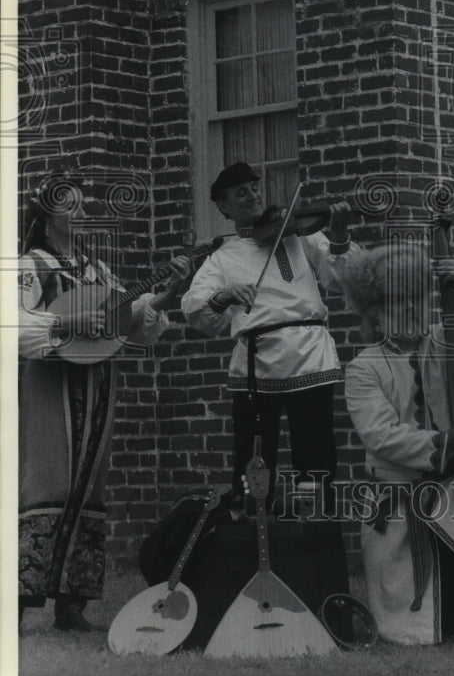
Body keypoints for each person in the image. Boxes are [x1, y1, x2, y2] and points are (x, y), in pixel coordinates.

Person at [18, 174, 191, 632]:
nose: (82, 214)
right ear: (47, 214)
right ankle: (17, 598)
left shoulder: (96, 271)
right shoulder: (30, 265)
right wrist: (69, 321)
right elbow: (14, 327)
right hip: (50, 383)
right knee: (46, 479)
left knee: (89, 482)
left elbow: (132, 322)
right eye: (71, 206)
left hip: (98, 381)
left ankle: (71, 605)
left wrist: (167, 293)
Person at [341, 238, 454, 647]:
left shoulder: (445, 342)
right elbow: (380, 435)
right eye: (399, 301)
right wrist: (445, 441)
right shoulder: (363, 368)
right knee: (432, 626)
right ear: (376, 315)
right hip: (402, 494)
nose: (412, 308)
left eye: (417, 297)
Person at [181, 162, 357, 510]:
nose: (253, 195)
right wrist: (225, 295)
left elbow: (341, 280)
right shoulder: (222, 256)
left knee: (315, 454)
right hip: (255, 364)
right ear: (223, 206)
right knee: (253, 459)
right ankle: (253, 530)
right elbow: (194, 307)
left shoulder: (300, 234)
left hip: (309, 354)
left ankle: (315, 531)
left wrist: (338, 236)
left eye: (255, 187)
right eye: (241, 192)